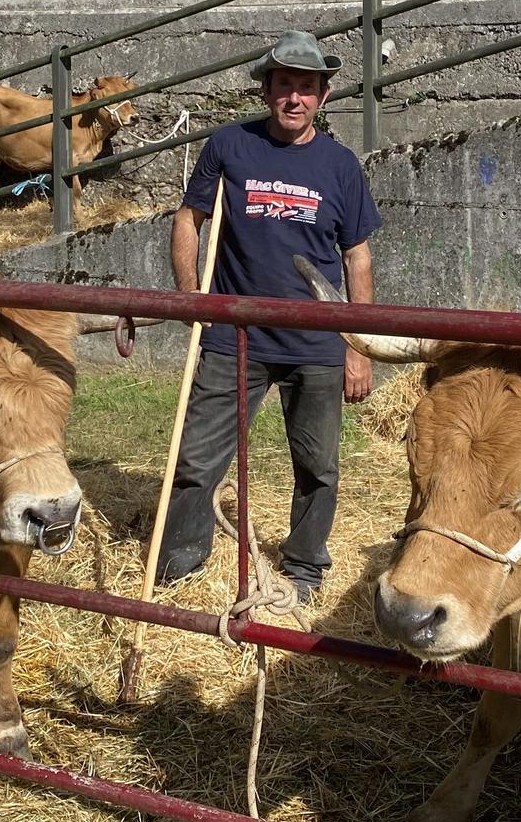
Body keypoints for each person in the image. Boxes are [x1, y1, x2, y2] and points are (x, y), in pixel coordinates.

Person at [155, 30, 380, 603]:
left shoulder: (340, 165)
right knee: (198, 457)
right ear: (266, 90)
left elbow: (357, 257)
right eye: (285, 86)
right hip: (235, 338)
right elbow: (189, 219)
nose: (294, 99)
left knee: (318, 468)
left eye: (307, 88)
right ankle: (180, 563)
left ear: (323, 97)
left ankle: (304, 568)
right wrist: (190, 297)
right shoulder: (229, 146)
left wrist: (358, 346)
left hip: (318, 346)